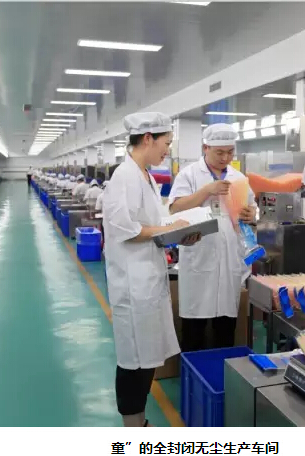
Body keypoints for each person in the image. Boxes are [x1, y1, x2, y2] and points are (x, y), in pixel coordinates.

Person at [103, 112, 201, 427]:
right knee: (133, 361)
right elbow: (125, 228)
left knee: (146, 359)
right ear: (148, 139)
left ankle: (141, 422)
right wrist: (167, 230)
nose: (167, 151)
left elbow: (152, 225)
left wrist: (178, 234)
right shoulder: (125, 176)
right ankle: (132, 428)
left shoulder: (145, 176)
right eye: (166, 143)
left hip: (148, 280)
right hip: (133, 286)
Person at [168, 123, 257, 352]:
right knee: (194, 332)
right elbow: (175, 207)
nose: (225, 158)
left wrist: (252, 214)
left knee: (225, 331)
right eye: (220, 152)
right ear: (205, 148)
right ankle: (193, 371)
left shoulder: (238, 178)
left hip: (229, 261)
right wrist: (207, 190)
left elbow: (252, 208)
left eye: (230, 152)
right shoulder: (189, 174)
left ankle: (219, 371)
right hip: (199, 258)